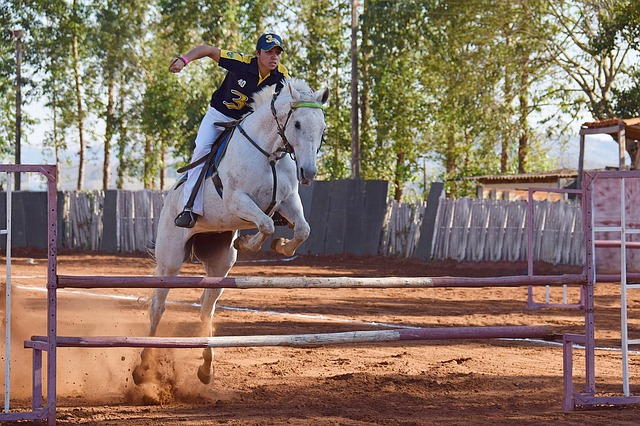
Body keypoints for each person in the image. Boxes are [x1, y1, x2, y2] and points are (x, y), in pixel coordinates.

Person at [169, 33, 290, 228]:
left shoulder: (281, 75)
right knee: (202, 149)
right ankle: (189, 207)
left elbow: (291, 98)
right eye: (269, 52)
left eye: (278, 52)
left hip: (246, 123)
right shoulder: (241, 63)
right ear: (257, 53)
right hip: (219, 116)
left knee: (273, 150)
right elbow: (208, 50)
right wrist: (184, 60)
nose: (274, 56)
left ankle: (274, 206)